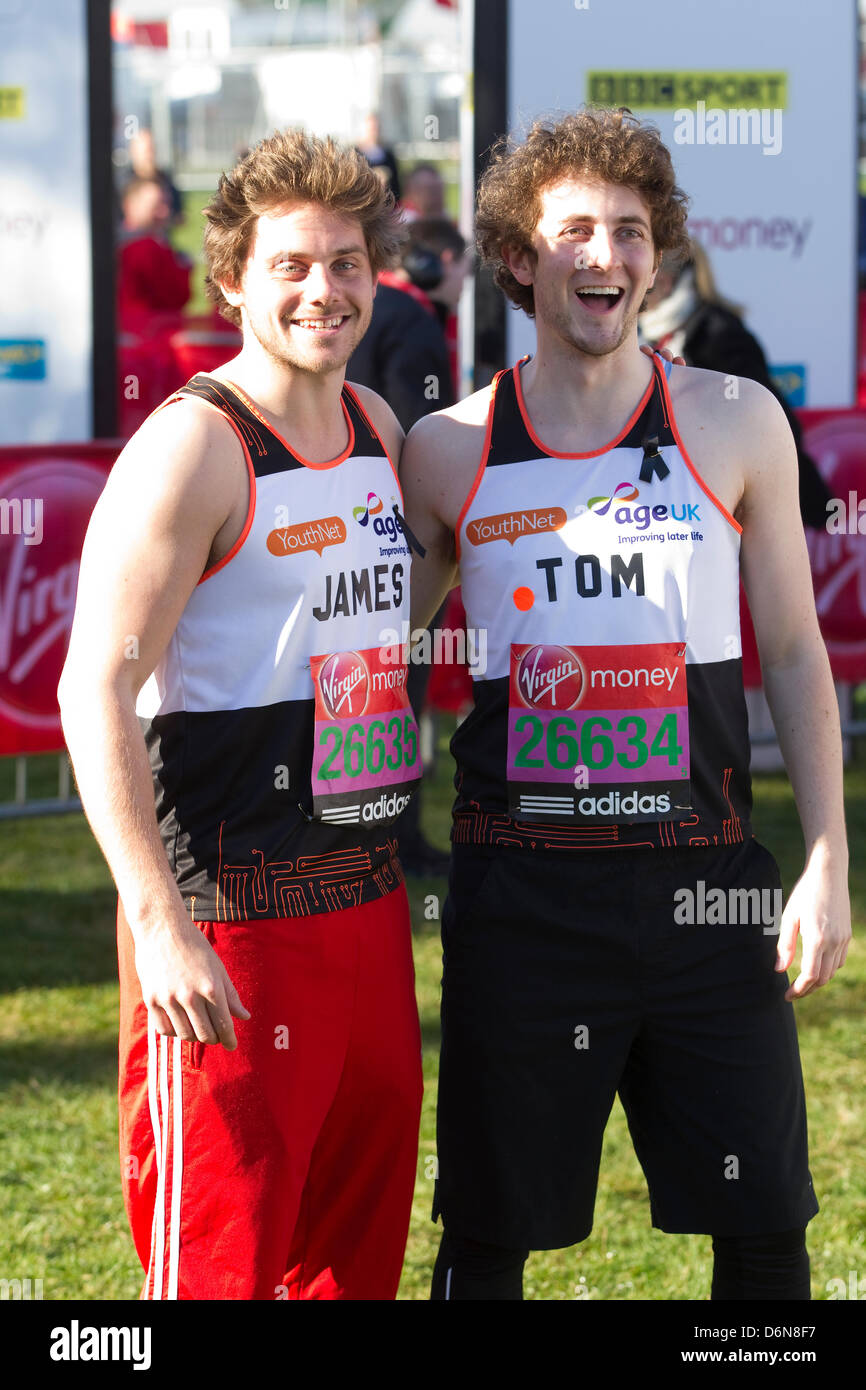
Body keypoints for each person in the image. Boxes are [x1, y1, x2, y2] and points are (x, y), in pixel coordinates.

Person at [400, 107, 851, 1301]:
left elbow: (797, 656)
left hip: (703, 889)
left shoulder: (733, 417)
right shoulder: (449, 448)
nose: (604, 256)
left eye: (630, 231)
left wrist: (823, 860)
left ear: (657, 255)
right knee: (488, 1237)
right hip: (521, 898)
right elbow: (372, 640)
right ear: (515, 257)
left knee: (762, 1230)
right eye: (573, 232)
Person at [59, 129, 424, 1301]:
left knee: (350, 1258)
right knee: (224, 1259)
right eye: (292, 266)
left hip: (365, 905)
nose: (324, 289)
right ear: (231, 284)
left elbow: (379, 616)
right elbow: (93, 686)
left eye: (348, 263)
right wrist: (158, 923)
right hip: (234, 921)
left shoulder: (377, 426)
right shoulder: (190, 449)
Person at [116, 177, 191, 334]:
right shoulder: (146, 247)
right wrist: (184, 268)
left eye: (166, 204)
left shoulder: (116, 242)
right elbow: (176, 296)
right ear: (130, 205)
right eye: (156, 206)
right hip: (149, 336)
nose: (165, 212)